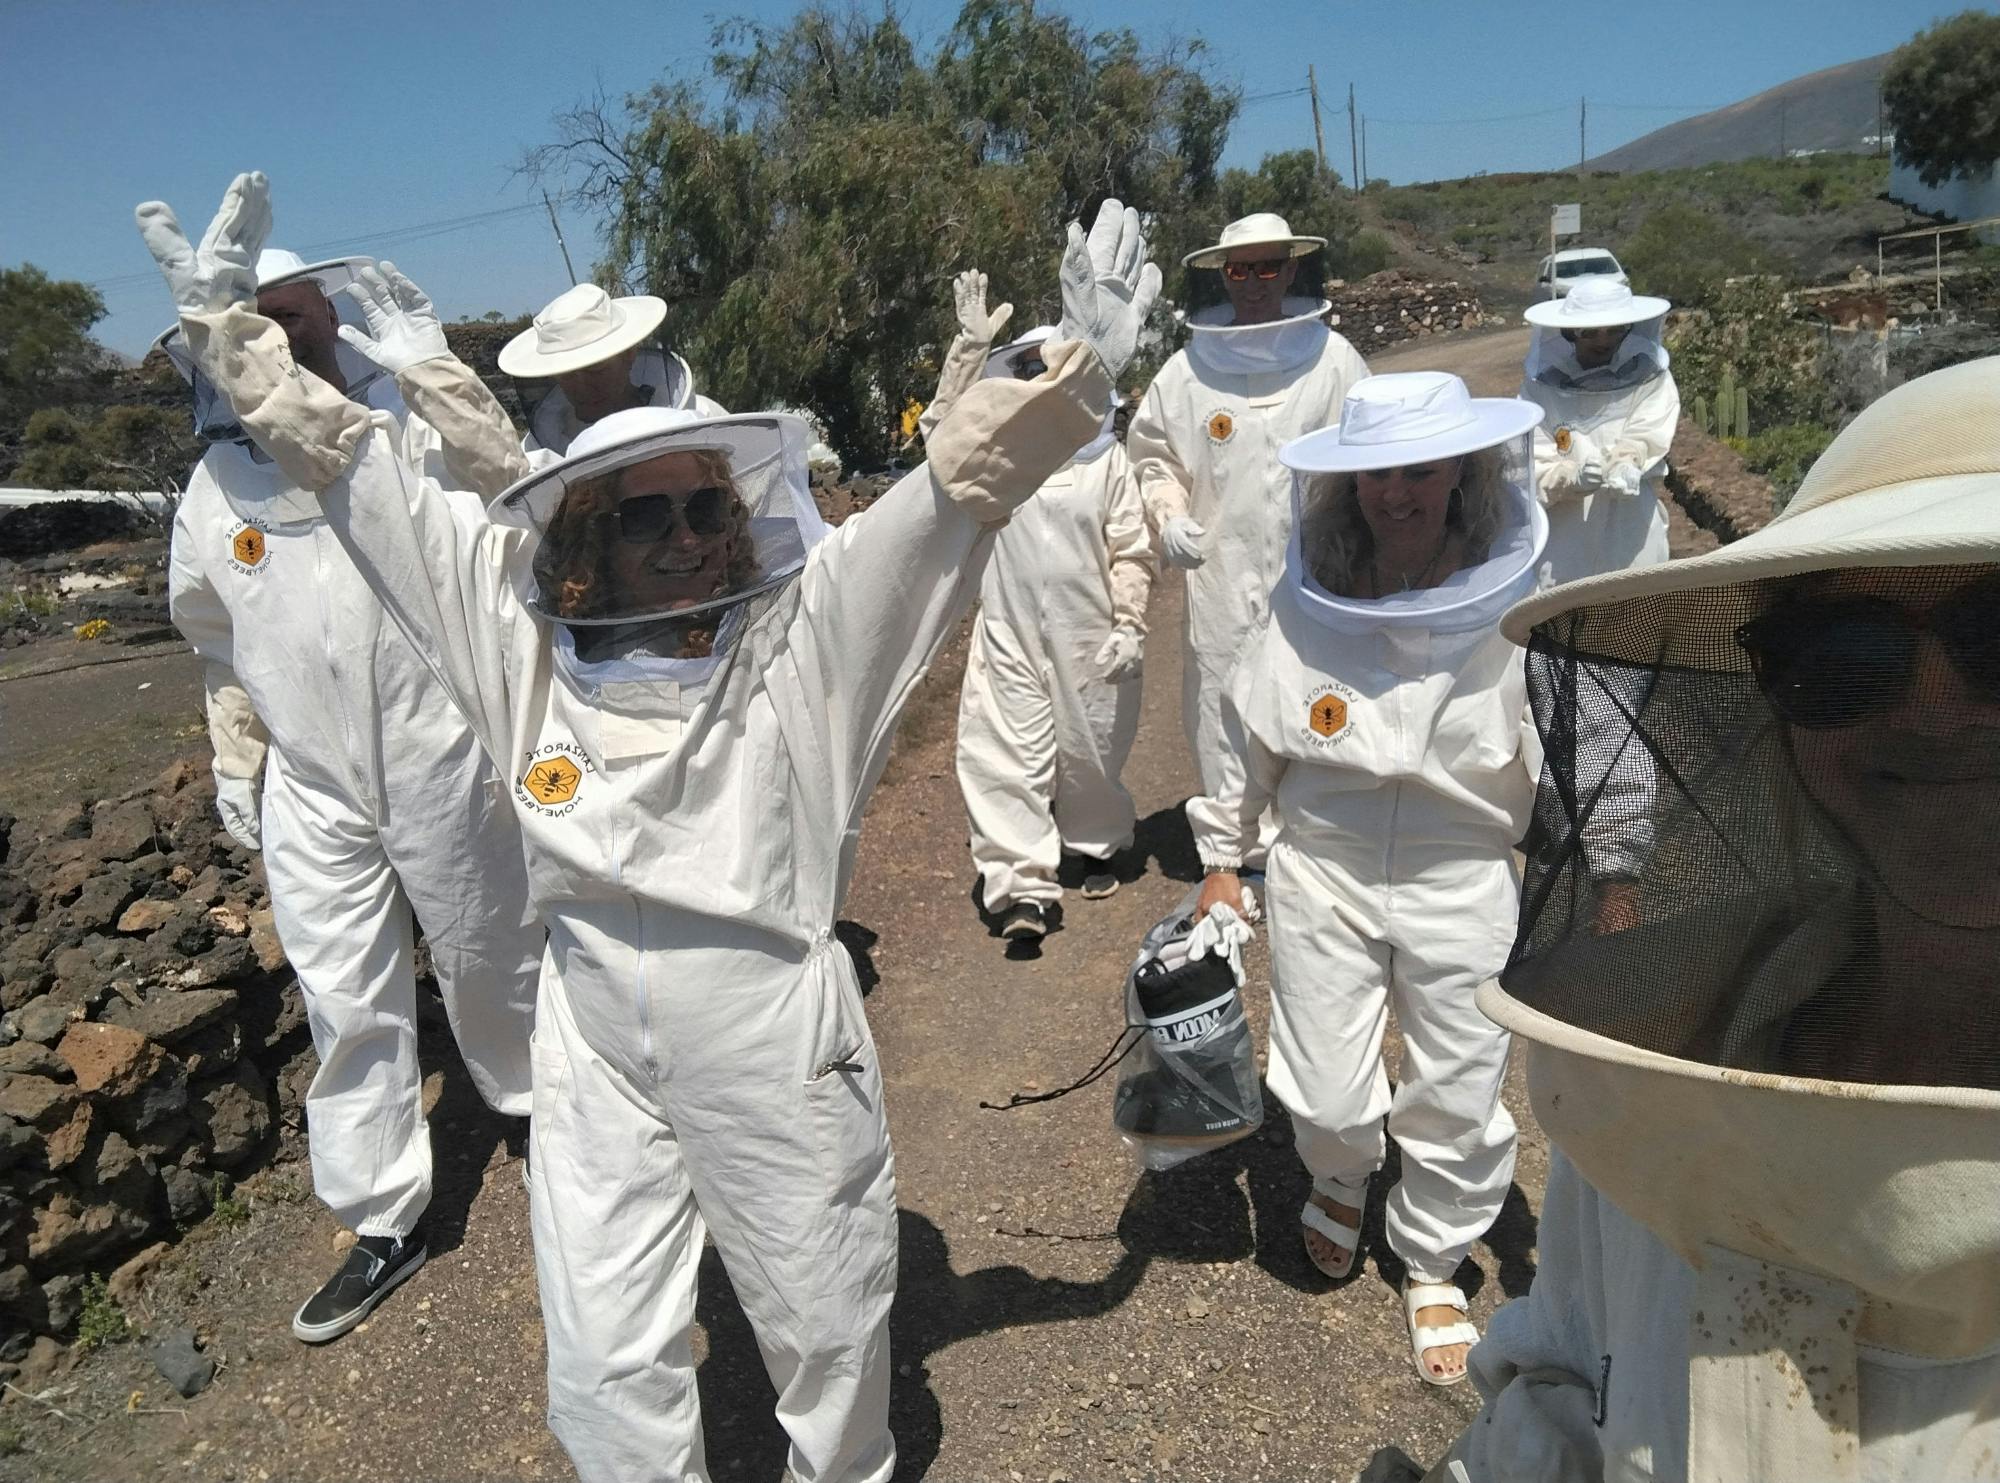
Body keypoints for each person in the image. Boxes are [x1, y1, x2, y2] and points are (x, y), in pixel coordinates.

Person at [137, 172, 1152, 1483]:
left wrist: (1075, 373)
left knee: (826, 1320)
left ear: (737, 519)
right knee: (606, 1357)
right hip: (592, 1034)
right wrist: (245, 355)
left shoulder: (811, 637)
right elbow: (367, 478)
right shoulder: (522, 651)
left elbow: (949, 491)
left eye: (697, 507)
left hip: (770, 1033)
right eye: (638, 512)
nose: (675, 533)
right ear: (587, 541)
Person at [1417, 356, 2000, 1479]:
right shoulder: (1659, 1052)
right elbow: (1564, 1376)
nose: (1933, 711)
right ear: (1775, 700)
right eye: (1845, 661)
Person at [150, 211, 541, 1346]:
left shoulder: (402, 436)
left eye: (288, 322)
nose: (271, 346)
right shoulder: (214, 493)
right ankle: (382, 1217)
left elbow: (514, 510)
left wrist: (438, 375)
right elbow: (214, 638)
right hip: (312, 780)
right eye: (249, 330)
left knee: (487, 947)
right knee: (342, 1000)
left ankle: (532, 1106)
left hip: (437, 748)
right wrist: (240, 760)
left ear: (327, 321)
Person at [1188, 371, 1548, 1386]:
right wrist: (1222, 857)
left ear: (1460, 475)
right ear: (1346, 489)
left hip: (1461, 870)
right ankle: (1340, 1174)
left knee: (1458, 1081)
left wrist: (1603, 870)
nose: (1397, 493)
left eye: (1420, 471)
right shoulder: (1305, 601)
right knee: (1325, 1085)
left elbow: (1561, 747)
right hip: (1323, 869)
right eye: (1376, 476)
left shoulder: (1515, 599)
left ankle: (1430, 1253)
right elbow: (1245, 737)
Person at [1127, 212, 1369, 869]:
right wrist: (1167, 512)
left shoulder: (1334, 362)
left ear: (1291, 268)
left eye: (1269, 266)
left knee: (1317, 692)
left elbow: (1375, 454)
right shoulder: (1186, 374)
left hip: (1317, 573)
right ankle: (1232, 849)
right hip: (1221, 576)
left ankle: (1314, 835)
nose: (1255, 282)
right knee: (1222, 702)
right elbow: (1155, 458)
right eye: (1241, 269)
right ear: (1222, 276)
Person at [946, 310, 1157, 941]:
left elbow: (1132, 547)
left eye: (1052, 368)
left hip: (1090, 630)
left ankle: (1093, 844)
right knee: (1000, 753)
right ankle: (1021, 889)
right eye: (1030, 368)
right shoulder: (996, 459)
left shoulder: (1106, 463)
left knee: (1088, 749)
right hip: (1007, 626)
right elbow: (939, 451)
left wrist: (1130, 621)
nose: (1041, 379)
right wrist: (961, 365)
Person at [1520, 276, 1679, 585]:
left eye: (1614, 330)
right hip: (1566, 539)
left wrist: (1628, 462)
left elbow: (1648, 429)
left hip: (1631, 527)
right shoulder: (1541, 387)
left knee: (1637, 614)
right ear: (1569, 333)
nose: (1602, 340)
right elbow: (1531, 457)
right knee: (1568, 624)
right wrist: (1567, 478)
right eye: (1590, 332)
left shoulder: (1650, 378)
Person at [498, 281, 727, 458]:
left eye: (596, 369)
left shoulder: (703, 416)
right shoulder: (535, 452)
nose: (582, 388)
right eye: (567, 375)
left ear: (629, 354)